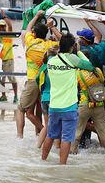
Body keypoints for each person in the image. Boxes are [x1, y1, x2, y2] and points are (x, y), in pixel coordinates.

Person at [41, 33, 94, 165]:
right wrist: (80, 52)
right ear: (72, 47)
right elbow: (89, 66)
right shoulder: (72, 59)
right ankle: (62, 166)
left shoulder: (51, 61)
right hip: (69, 106)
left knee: (51, 135)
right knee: (66, 138)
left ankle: (42, 161)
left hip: (54, 106)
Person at [16, 10, 61, 139]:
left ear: (34, 34)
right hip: (46, 82)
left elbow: (28, 27)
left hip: (32, 81)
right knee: (39, 110)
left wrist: (36, 16)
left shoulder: (30, 41)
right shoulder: (50, 45)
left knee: (21, 109)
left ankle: (21, 137)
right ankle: (40, 133)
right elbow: (65, 41)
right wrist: (52, 27)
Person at [71, 51, 105, 155]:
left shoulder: (78, 73)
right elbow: (102, 81)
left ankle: (72, 153)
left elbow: (74, 86)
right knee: (104, 132)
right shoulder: (98, 71)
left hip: (85, 104)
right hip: (99, 104)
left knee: (78, 131)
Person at [36, 46, 59, 148]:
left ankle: (38, 146)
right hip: (53, 99)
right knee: (57, 126)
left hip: (44, 98)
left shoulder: (43, 67)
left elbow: (37, 80)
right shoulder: (56, 66)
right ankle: (57, 148)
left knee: (47, 126)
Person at [0, 10, 18, 103]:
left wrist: (4, 16)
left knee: (12, 78)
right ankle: (3, 96)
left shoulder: (9, 35)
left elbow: (10, 25)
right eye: (0, 26)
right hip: (0, 61)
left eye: (3, 26)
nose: (2, 28)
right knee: (1, 79)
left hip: (9, 60)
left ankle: (16, 96)